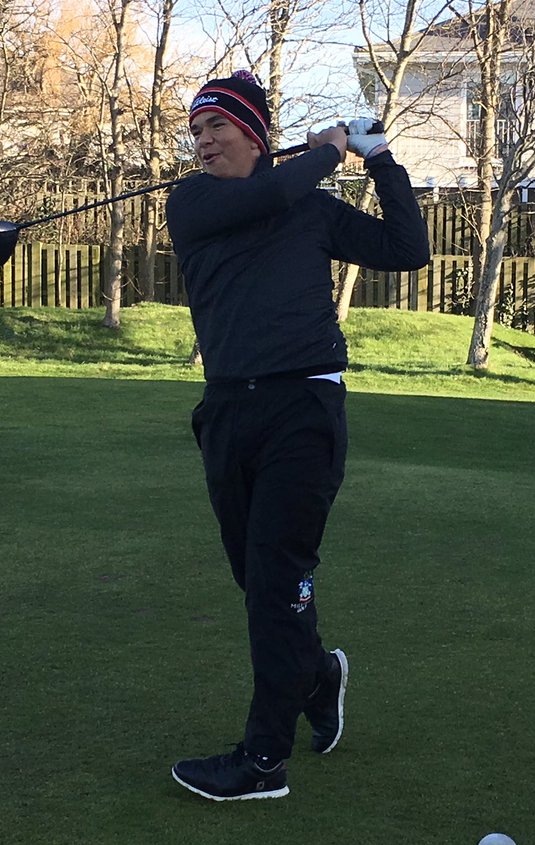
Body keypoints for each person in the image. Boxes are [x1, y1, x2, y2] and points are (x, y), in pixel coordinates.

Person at [166, 70, 430, 801]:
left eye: (216, 127)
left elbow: (408, 249)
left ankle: (262, 762)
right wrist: (326, 149)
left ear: (253, 133)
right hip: (226, 411)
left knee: (276, 578)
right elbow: (272, 194)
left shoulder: (311, 210)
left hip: (303, 408)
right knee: (257, 583)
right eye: (196, 132)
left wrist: (377, 160)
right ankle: (316, 673)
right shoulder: (193, 202)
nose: (205, 141)